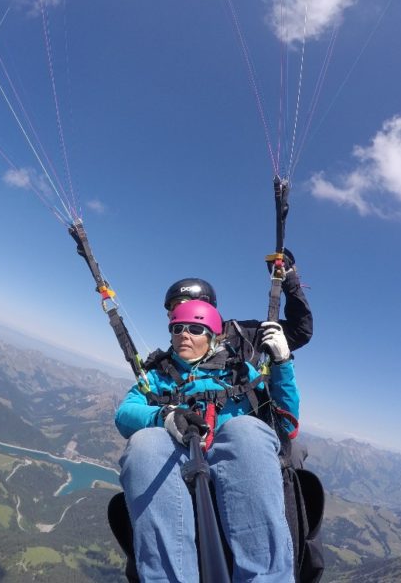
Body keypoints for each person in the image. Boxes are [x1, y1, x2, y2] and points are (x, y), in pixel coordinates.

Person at [116, 300, 299, 582]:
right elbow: (126, 413)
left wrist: (282, 365)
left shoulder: (240, 372)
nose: (183, 334)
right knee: (145, 445)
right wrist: (163, 416)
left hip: (238, 463)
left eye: (194, 329)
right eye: (177, 328)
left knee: (246, 432)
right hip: (176, 464)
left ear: (213, 336)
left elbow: (286, 424)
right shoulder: (157, 376)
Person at [161, 249, 312, 367]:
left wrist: (289, 280)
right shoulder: (169, 360)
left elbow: (300, 331)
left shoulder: (245, 336)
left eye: (179, 306)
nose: (171, 314)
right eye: (170, 310)